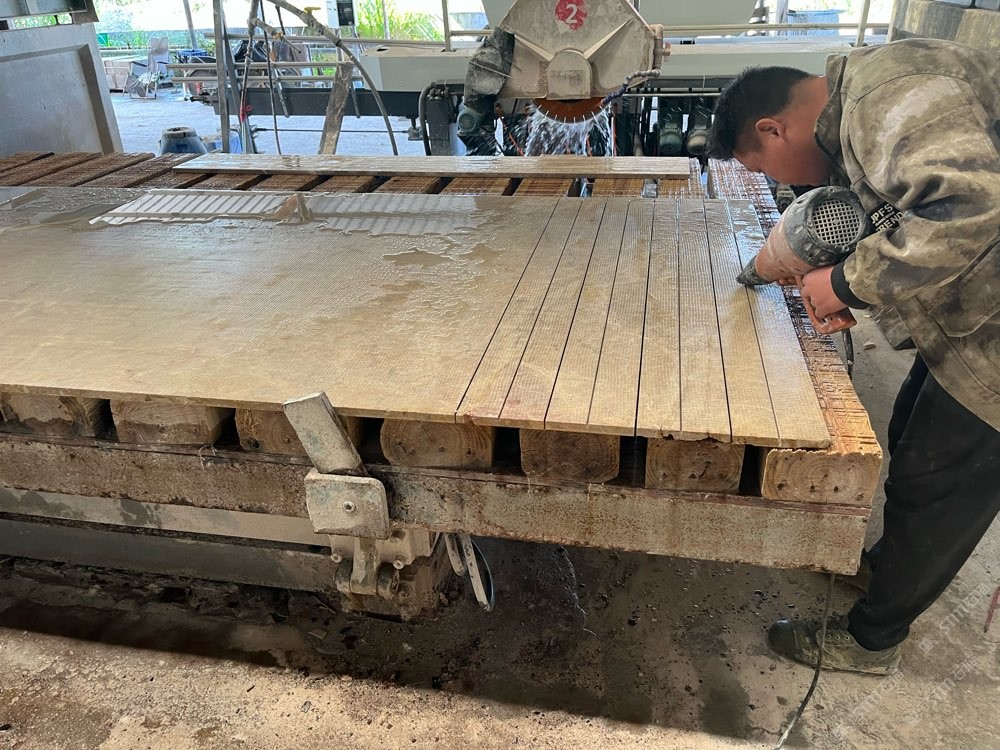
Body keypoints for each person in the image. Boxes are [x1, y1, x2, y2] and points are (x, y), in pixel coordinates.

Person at [707, 37, 1000, 675]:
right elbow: (905, 212)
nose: (780, 184)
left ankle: (872, 640)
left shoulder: (888, 95)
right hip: (979, 315)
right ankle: (893, 568)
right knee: (911, 434)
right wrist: (853, 287)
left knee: (939, 479)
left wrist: (842, 284)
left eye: (765, 169)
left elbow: (965, 211)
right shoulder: (860, 110)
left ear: (774, 129)